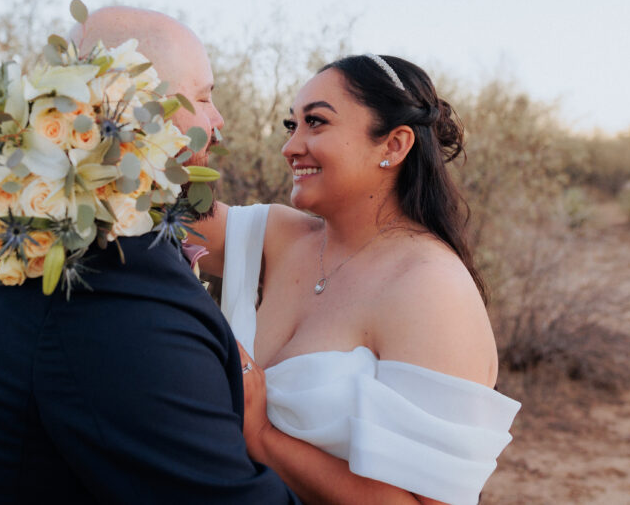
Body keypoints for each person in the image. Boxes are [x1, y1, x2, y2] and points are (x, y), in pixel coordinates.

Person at [0, 7, 299, 504]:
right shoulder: (111, 269)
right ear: (135, 106)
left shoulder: (7, 223)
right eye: (203, 97)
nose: (216, 122)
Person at [191, 54, 521, 505]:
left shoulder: (430, 287)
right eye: (293, 126)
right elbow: (139, 210)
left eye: (316, 123)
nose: (291, 146)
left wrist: (264, 436)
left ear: (393, 145)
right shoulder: (279, 238)